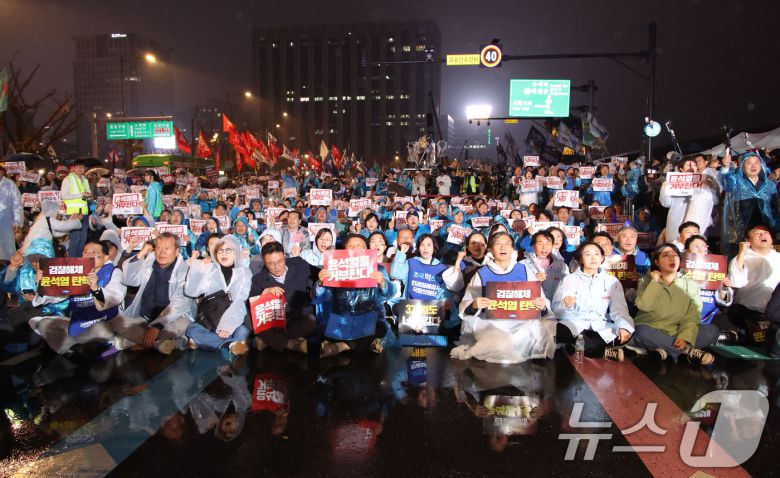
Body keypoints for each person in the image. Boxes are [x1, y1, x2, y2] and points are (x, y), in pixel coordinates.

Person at [453, 232, 553, 364]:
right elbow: (467, 303)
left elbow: (541, 299)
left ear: (512, 249)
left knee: (534, 330)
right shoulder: (482, 273)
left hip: (520, 320)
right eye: (498, 244)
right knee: (500, 341)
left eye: (507, 244)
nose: (503, 247)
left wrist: (542, 306)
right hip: (490, 321)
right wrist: (474, 305)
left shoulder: (524, 270)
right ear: (490, 249)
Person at [28, 241, 125, 354]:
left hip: (104, 321)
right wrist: (44, 284)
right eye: (85, 252)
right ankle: (75, 347)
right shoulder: (75, 272)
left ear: (106, 257)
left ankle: (76, 346)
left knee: (101, 329)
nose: (88, 255)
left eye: (94, 253)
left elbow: (116, 297)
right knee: (44, 324)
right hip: (79, 323)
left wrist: (96, 288)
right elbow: (57, 297)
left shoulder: (114, 272)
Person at [630, 244, 715, 365]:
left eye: (675, 255)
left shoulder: (690, 284)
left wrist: (685, 336)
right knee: (641, 332)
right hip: (651, 329)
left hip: (676, 331)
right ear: (656, 262)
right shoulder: (645, 281)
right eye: (666, 255)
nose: (672, 258)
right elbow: (644, 305)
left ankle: (663, 349)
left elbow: (693, 314)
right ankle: (686, 351)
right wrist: (655, 282)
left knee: (711, 331)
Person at [110, 232, 194, 354]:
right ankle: (158, 343)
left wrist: (157, 326)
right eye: (158, 248)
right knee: (116, 321)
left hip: (169, 321)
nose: (161, 252)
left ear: (176, 251)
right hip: (144, 318)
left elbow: (179, 303)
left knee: (183, 325)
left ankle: (140, 340)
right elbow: (129, 280)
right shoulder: (149, 262)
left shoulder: (184, 270)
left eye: (167, 248)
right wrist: (141, 253)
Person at [315, 234, 397, 358]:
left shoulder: (378, 268)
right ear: (344, 250)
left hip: (368, 319)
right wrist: (320, 283)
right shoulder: (334, 267)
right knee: (323, 329)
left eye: (359, 246)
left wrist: (383, 282)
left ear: (366, 249)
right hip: (342, 320)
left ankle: (342, 346)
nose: (355, 249)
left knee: (380, 327)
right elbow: (321, 295)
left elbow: (391, 292)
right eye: (351, 246)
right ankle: (357, 345)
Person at [552, 242, 634, 361]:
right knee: (560, 330)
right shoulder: (569, 280)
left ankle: (577, 347)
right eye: (588, 254)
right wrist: (567, 306)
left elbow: (619, 310)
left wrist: (624, 327)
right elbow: (556, 310)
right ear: (580, 259)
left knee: (626, 331)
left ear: (602, 258)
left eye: (596, 254)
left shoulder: (612, 281)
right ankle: (603, 350)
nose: (593, 258)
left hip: (601, 325)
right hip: (575, 324)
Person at [182, 235, 251, 355]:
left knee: (243, 330)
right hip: (210, 321)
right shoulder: (211, 269)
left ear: (235, 252)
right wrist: (198, 268)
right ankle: (229, 344)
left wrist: (227, 327)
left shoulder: (244, 273)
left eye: (228, 250)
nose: (224, 253)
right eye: (220, 251)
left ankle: (206, 342)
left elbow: (239, 302)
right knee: (192, 329)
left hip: (233, 321)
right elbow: (191, 291)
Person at [251, 241, 316, 353]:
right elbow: (252, 306)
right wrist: (263, 293)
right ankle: (290, 344)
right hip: (274, 322)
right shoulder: (258, 279)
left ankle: (273, 341)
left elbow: (317, 273)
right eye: (271, 264)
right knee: (255, 323)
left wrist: (322, 277)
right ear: (264, 262)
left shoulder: (299, 264)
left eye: (280, 261)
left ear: (285, 256)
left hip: (297, 318)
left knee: (311, 321)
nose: (277, 267)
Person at [727, 224, 780, 344]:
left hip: (775, 314)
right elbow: (736, 281)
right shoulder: (742, 258)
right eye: (757, 233)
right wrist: (742, 252)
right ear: (748, 240)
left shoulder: (778, 257)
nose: (762, 235)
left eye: (766, 232)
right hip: (748, 313)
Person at [520, 230, 569, 302]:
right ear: (533, 246)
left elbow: (567, 290)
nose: (544, 247)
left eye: (548, 244)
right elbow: (516, 289)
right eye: (540, 244)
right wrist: (534, 280)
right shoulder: (522, 265)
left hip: (554, 307)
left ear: (552, 246)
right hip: (532, 306)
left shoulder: (562, 266)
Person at [60, 159, 92, 257]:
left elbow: (88, 195)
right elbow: (64, 196)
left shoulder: (85, 180)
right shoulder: (68, 179)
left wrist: (89, 197)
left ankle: (79, 260)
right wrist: (81, 195)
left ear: (85, 169)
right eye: (77, 167)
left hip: (84, 213)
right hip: (73, 214)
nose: (80, 169)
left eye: (82, 167)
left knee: (82, 239)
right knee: (75, 239)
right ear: (73, 168)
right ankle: (72, 261)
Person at [0, 166, 23, 262]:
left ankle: (9, 266)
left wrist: (17, 221)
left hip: (6, 220)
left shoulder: (9, 184)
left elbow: (17, 203)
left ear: (2, 172)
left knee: (7, 245)